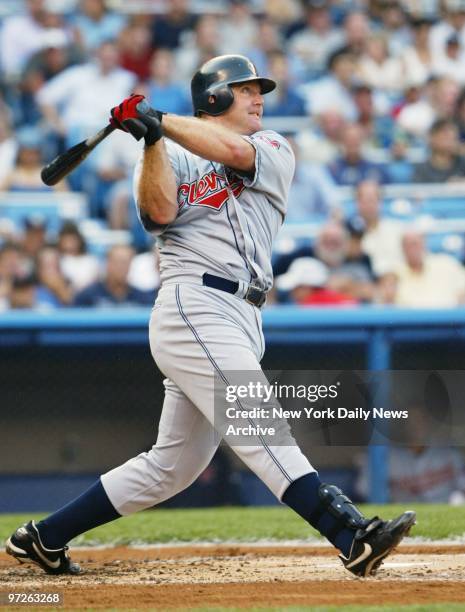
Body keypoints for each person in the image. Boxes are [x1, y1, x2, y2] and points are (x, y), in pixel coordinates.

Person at [5, 54, 415, 578]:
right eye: (246, 90)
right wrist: (153, 139)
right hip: (193, 303)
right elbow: (157, 215)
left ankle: (44, 537)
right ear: (215, 96)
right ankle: (350, 533)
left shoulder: (271, 146)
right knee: (256, 419)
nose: (259, 98)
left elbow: (229, 150)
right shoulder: (168, 152)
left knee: (171, 467)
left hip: (243, 312)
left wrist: (159, 118)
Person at [73, 244, 154, 307]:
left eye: (125, 263)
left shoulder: (142, 299)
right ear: (107, 264)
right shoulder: (88, 296)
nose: (121, 267)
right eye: (117, 262)